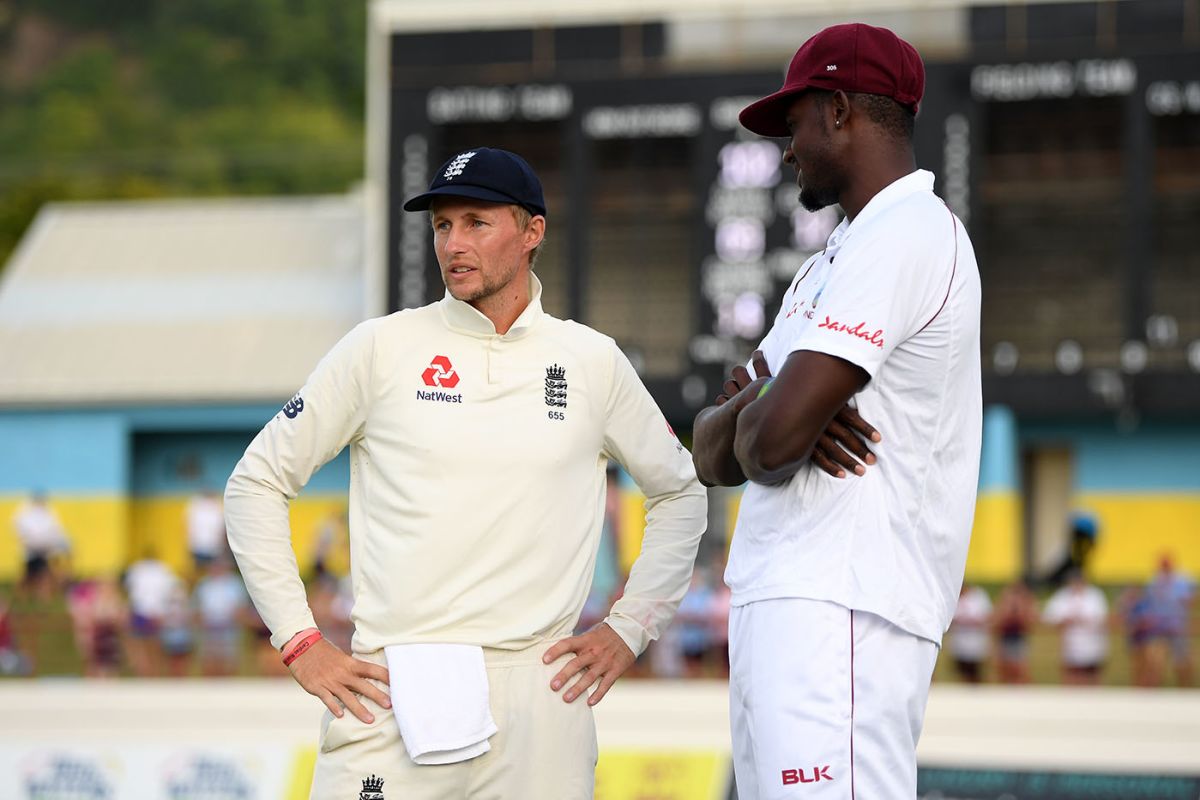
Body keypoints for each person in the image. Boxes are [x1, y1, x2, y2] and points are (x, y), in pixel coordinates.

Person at [224, 147, 706, 798]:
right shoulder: (380, 347)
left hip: (544, 693)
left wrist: (631, 627)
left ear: (532, 231)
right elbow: (255, 482)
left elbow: (679, 491)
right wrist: (300, 641)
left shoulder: (591, 360)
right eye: (442, 225)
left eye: (476, 222)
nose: (453, 243)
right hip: (394, 688)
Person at [691, 23, 981, 799]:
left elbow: (768, 445)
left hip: (844, 603)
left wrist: (771, 409)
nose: (788, 151)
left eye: (794, 125)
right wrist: (773, 404)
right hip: (788, 601)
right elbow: (710, 451)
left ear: (842, 110)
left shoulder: (909, 231)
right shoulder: (832, 259)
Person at [1042, 568, 1109, 686]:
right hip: (1071, 646)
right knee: (1073, 676)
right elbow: (1049, 617)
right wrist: (1065, 621)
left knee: (1092, 674)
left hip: (1093, 644)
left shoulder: (1095, 595)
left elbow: (1103, 618)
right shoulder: (1062, 596)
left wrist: (1084, 621)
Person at [1143, 554, 1195, 687]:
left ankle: (1185, 691)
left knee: (1181, 662)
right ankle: (1154, 692)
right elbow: (1149, 603)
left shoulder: (1182, 581)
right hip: (1158, 628)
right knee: (1155, 663)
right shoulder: (1154, 581)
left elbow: (1189, 601)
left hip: (1177, 627)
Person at [12, 490, 71, 601]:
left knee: (43, 573)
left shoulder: (47, 513)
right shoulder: (25, 513)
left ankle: (43, 596)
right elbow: (20, 529)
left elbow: (55, 529)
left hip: (44, 550)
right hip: (31, 549)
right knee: (29, 575)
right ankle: (22, 596)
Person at [992, 578, 1039, 684]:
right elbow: (997, 622)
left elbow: (1030, 622)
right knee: (1003, 670)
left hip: (1018, 638)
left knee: (1019, 669)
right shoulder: (1004, 601)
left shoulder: (1026, 602)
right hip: (1004, 638)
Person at [948, 584, 992, 684]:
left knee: (977, 675)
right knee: (962, 675)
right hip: (959, 646)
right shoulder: (954, 596)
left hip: (977, 647)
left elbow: (988, 617)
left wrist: (970, 621)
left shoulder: (979, 596)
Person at [185, 489, 226, 577]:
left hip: (209, 546)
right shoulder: (197, 506)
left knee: (210, 571)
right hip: (202, 546)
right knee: (203, 571)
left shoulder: (196, 506)